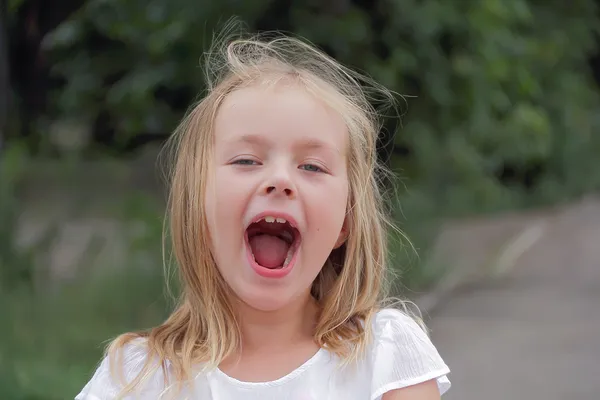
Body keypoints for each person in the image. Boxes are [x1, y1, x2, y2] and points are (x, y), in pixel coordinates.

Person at [75, 24, 451, 400]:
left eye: (312, 167)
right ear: (198, 209)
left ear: (346, 220)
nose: (280, 179)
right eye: (246, 160)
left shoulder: (383, 357)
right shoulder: (137, 378)